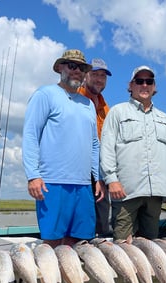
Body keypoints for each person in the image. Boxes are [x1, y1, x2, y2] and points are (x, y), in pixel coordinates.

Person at [22, 49, 105, 248]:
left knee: (78, 241)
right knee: (52, 241)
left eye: (82, 68)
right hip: (52, 183)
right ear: (60, 68)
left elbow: (94, 143)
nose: (77, 71)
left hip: (84, 185)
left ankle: (70, 279)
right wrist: (33, 175)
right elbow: (31, 135)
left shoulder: (88, 104)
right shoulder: (45, 95)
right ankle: (52, 279)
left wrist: (98, 177)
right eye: (72, 65)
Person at [100, 65, 166, 241]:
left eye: (149, 81)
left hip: (155, 195)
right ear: (131, 85)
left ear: (154, 87)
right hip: (125, 192)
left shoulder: (165, 119)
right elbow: (106, 148)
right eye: (139, 81)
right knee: (122, 245)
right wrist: (112, 180)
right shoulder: (117, 112)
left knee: (151, 246)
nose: (144, 85)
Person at [78, 58, 112, 236]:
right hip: (79, 172)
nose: (99, 79)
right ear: (85, 76)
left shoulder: (107, 109)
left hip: (101, 174)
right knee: (80, 221)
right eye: (95, 74)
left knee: (102, 223)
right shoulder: (74, 100)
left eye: (103, 76)